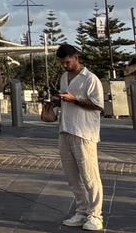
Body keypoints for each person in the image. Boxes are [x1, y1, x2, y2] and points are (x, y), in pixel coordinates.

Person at [55, 44, 104, 231]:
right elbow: (65, 100)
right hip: (65, 129)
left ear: (76, 57)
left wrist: (73, 99)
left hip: (84, 132)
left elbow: (99, 106)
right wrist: (58, 101)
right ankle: (82, 210)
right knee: (72, 176)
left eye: (67, 62)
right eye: (62, 63)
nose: (65, 66)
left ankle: (96, 215)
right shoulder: (63, 77)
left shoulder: (90, 79)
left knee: (90, 176)